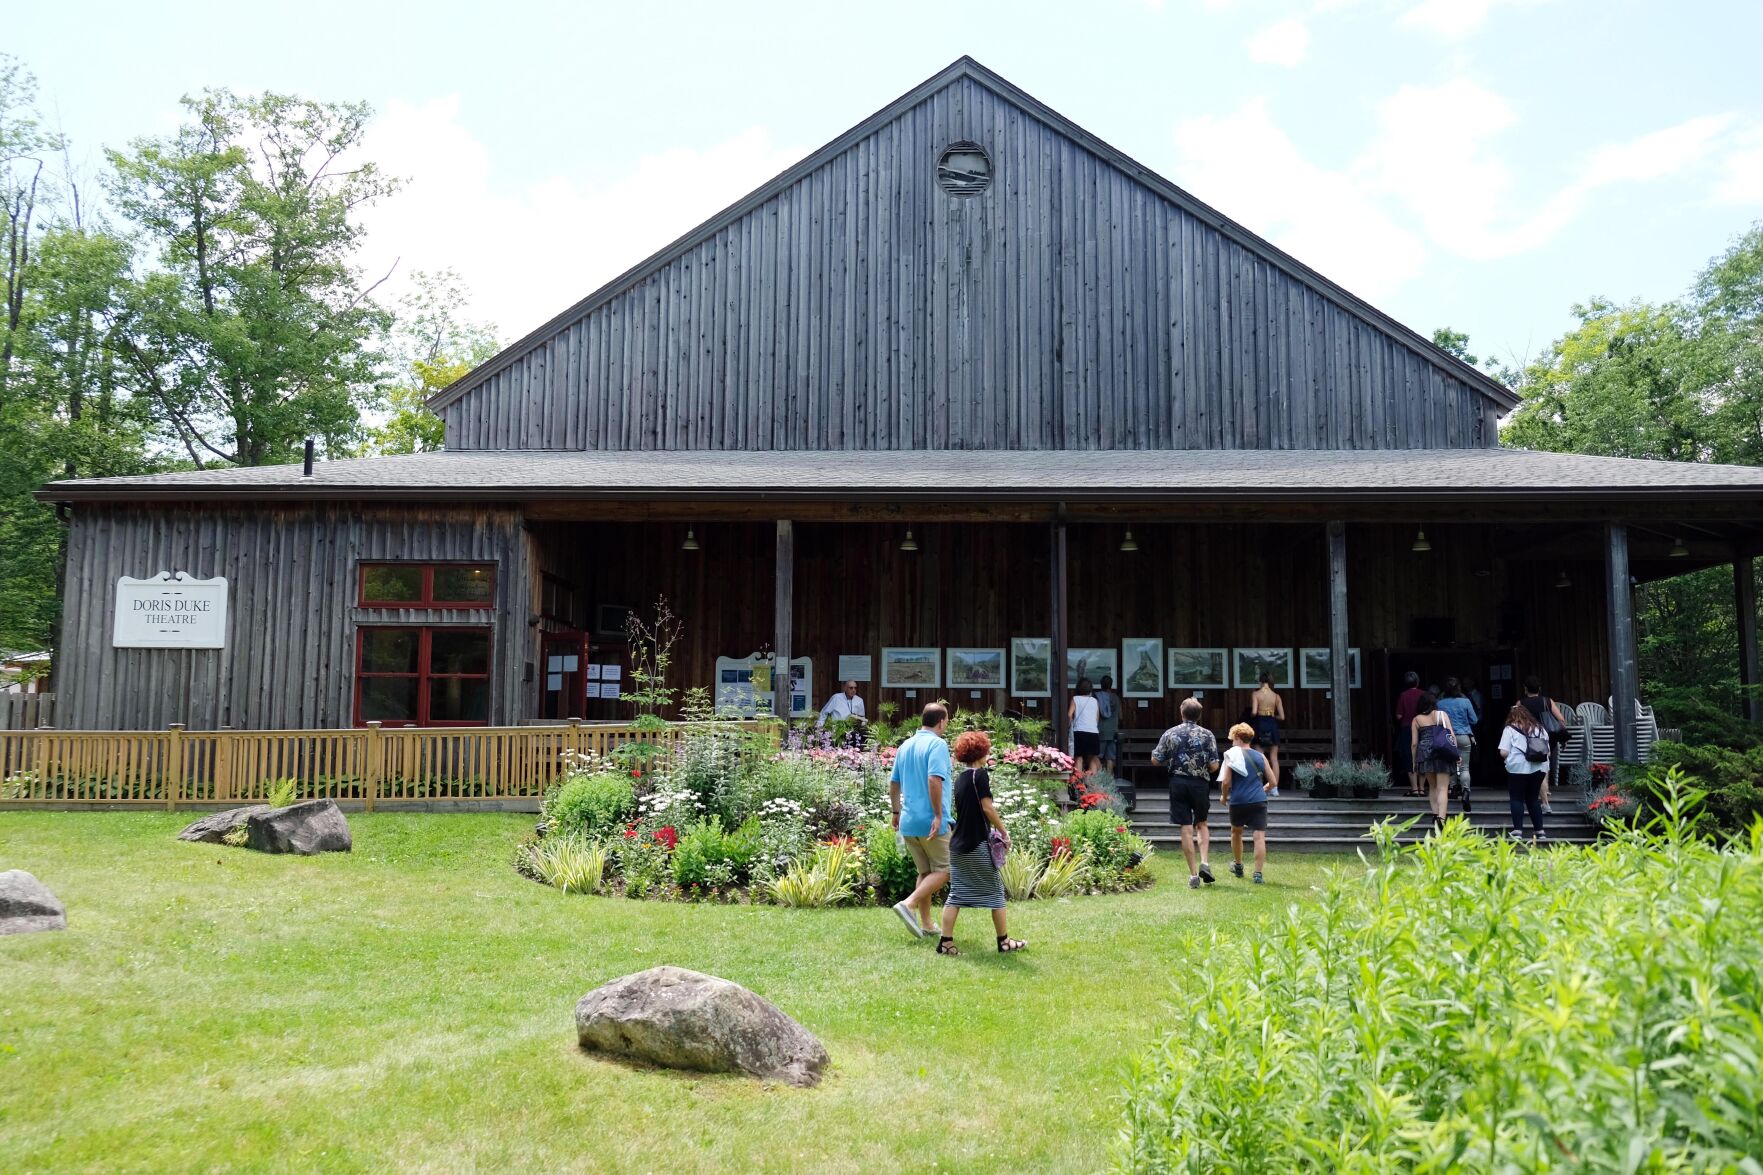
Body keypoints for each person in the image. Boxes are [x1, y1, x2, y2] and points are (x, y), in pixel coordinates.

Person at [935, 730, 1025, 955]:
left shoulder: (961, 778)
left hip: (956, 845)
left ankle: (945, 942)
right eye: (987, 749)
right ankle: (1004, 942)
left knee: (956, 894)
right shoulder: (980, 775)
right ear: (980, 752)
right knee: (996, 892)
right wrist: (1003, 832)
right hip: (976, 843)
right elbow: (987, 807)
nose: (989, 752)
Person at [887, 702, 954, 938]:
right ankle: (909, 903)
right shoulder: (937, 744)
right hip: (931, 821)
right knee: (946, 870)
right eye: (947, 721)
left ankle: (926, 924)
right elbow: (935, 780)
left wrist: (896, 812)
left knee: (926, 872)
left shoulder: (905, 745)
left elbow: (894, 784)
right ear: (941, 721)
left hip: (908, 821)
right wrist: (938, 815)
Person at [1152, 697, 1219, 889]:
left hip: (1178, 783)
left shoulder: (1171, 733)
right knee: (1202, 823)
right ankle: (1205, 862)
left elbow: (1156, 760)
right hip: (1199, 784)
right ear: (1199, 715)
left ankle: (1193, 875)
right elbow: (1214, 766)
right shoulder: (1208, 735)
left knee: (1185, 827)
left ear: (1182, 714)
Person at [1216, 722, 1272, 883]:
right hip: (1259, 800)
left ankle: (1238, 865)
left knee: (1236, 832)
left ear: (1238, 737)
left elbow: (1226, 781)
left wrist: (1224, 796)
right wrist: (1263, 790)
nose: (1232, 742)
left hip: (1238, 800)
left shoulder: (1232, 755)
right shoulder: (1260, 756)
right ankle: (1257, 874)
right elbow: (1273, 782)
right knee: (1259, 836)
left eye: (1233, 738)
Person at [1498, 701, 1550, 840]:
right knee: (1533, 799)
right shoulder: (1540, 728)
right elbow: (1548, 751)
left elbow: (1503, 752)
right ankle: (1540, 831)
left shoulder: (1509, 729)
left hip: (1517, 768)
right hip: (1538, 768)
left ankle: (1518, 831)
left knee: (1516, 798)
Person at [1519, 677, 1570, 814]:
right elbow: (1561, 719)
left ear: (1525, 689)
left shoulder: (1521, 703)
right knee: (1543, 766)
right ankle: (1544, 794)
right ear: (1539, 689)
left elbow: (1515, 722)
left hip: (1528, 738)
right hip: (1546, 738)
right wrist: (1563, 738)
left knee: (1532, 767)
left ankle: (1538, 795)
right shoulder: (1547, 701)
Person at [1410, 692, 1456, 829]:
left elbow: (1414, 743)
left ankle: (1435, 816)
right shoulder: (1442, 715)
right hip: (1442, 752)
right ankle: (1442, 818)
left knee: (1432, 787)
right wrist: (1456, 754)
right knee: (1443, 788)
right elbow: (1451, 735)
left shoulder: (1417, 719)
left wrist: (1414, 761)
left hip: (1425, 754)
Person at [1436, 677, 1479, 808]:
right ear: (1459, 688)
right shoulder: (1465, 701)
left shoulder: (1440, 703)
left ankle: (1453, 788)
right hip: (1464, 736)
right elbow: (1474, 720)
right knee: (1464, 766)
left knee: (1450, 765)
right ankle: (1466, 791)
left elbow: (1437, 721)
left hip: (1447, 737)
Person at [1250, 674, 1285, 797]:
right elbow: (1282, 716)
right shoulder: (1276, 696)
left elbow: (1254, 712)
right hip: (1272, 724)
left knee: (1259, 757)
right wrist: (1272, 716)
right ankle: (1274, 788)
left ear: (1260, 682)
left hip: (1260, 724)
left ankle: (1258, 787)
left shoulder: (1256, 694)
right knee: (1274, 759)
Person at [1394, 671, 1425, 795]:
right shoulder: (1424, 694)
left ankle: (1414, 789)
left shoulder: (1403, 695)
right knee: (1422, 757)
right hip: (1423, 727)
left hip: (1407, 729)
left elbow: (1399, 715)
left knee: (1409, 757)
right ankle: (1422, 789)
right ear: (1417, 681)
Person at [1069, 677, 1101, 778]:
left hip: (1079, 731)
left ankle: (1079, 784)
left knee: (1079, 758)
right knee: (1092, 758)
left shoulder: (1075, 699)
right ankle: (1094, 786)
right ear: (1090, 689)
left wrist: (1069, 725)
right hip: (1093, 732)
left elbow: (1069, 714)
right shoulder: (1094, 701)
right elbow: (1096, 718)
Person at [1094, 675, 1121, 775]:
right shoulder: (1116, 698)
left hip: (1100, 731)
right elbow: (1121, 715)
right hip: (1113, 731)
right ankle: (1110, 780)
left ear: (1101, 684)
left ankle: (1099, 781)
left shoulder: (1096, 697)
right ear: (1111, 685)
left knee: (1097, 756)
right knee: (1110, 758)